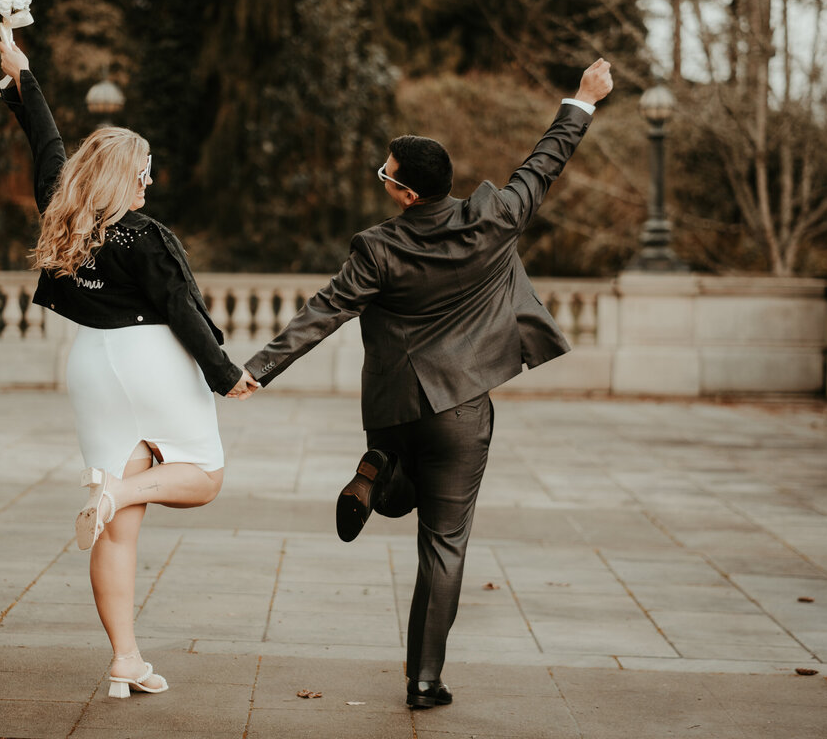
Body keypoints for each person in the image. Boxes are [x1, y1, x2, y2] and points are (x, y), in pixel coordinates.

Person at [243, 59, 614, 709]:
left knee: (397, 490)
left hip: (392, 408)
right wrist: (582, 99)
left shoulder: (377, 249)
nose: (383, 179)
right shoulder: (497, 218)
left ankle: (378, 466)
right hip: (461, 411)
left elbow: (325, 311)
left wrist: (258, 370)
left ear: (406, 194)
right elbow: (546, 160)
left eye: (385, 173)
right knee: (443, 543)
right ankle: (424, 680)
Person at [0, 38, 259, 699]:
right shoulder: (145, 236)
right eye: (143, 169)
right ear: (122, 175)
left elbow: (47, 142)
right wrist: (227, 374)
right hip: (151, 362)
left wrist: (22, 73)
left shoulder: (66, 214)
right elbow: (183, 310)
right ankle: (117, 491)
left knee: (117, 530)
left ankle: (125, 660)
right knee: (204, 478)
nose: (149, 179)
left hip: (90, 363)